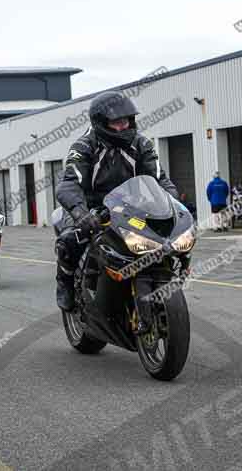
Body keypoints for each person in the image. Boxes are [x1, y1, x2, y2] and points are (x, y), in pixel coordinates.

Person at [54, 90, 179, 328]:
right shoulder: (84, 146)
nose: (123, 127)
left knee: (167, 240)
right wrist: (80, 212)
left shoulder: (141, 143)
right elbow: (69, 183)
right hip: (91, 208)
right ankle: (65, 284)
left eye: (126, 121)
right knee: (69, 240)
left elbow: (160, 179)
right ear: (101, 122)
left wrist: (173, 204)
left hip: (131, 207)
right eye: (116, 122)